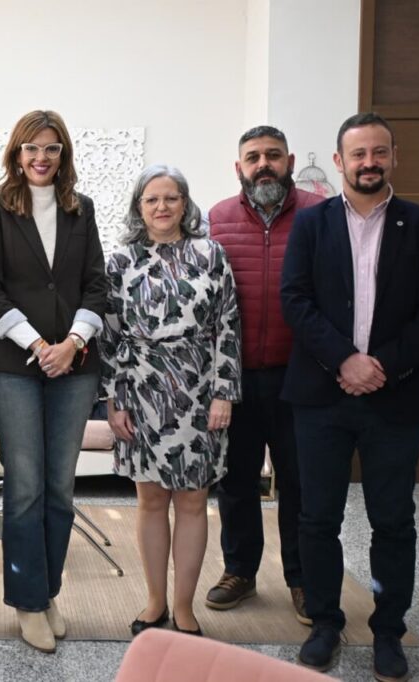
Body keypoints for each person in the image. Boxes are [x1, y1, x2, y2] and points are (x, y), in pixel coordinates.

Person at [281, 113, 419, 678]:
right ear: (338, 161)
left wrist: (381, 365)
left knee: (394, 521)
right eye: (357, 154)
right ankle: (327, 621)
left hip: (394, 398)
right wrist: (345, 360)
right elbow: (296, 300)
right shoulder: (310, 225)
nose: (368, 162)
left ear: (393, 156)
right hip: (321, 397)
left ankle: (388, 630)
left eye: (378, 152)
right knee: (317, 518)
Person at [0, 110, 106, 653]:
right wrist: (37, 345)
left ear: (63, 154)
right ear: (16, 153)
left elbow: (96, 285)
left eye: (51, 148)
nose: (41, 157)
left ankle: (46, 592)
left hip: (76, 365)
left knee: (59, 486)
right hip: (16, 367)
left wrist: (72, 343)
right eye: (32, 148)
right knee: (24, 487)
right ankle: (27, 603)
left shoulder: (82, 208)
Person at [100, 164, 241, 640]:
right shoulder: (119, 260)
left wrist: (224, 391)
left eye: (171, 198)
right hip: (140, 389)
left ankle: (184, 607)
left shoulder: (210, 254)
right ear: (139, 208)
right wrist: (113, 398)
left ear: (186, 203)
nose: (162, 207)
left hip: (199, 389)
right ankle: (155, 601)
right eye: (152, 200)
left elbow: (227, 326)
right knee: (151, 498)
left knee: (194, 499)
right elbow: (110, 335)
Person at [206, 126, 322, 623]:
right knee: (235, 480)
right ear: (238, 167)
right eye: (252, 157)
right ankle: (240, 572)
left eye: (273, 155)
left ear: (290, 160)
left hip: (302, 374)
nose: (263, 164)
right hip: (237, 377)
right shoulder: (217, 217)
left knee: (299, 480)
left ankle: (300, 577)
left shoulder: (321, 214)